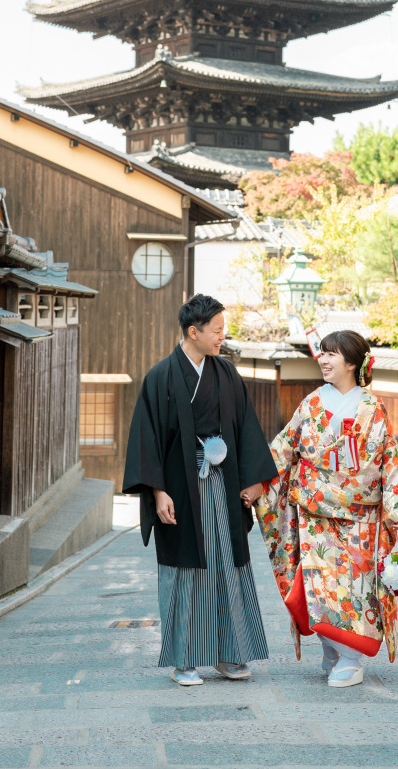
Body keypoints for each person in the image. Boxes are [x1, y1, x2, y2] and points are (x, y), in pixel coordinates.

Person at [123, 293, 277, 687]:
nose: (222, 337)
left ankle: (229, 653)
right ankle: (184, 659)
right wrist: (158, 491)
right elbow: (148, 439)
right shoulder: (161, 377)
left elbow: (247, 429)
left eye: (224, 330)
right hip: (180, 486)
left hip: (223, 487)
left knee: (228, 565)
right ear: (193, 331)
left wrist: (254, 480)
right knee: (185, 571)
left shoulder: (226, 374)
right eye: (217, 330)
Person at [246, 330, 398, 689]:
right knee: (318, 585)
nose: (323, 360)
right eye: (321, 353)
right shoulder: (310, 404)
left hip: (361, 517)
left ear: (353, 362)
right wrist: (256, 482)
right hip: (314, 515)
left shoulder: (373, 408)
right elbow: (283, 449)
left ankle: (353, 658)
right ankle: (332, 646)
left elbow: (389, 460)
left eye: (331, 355)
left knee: (356, 587)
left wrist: (396, 509)